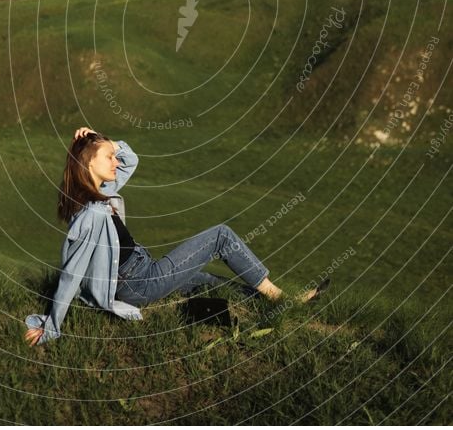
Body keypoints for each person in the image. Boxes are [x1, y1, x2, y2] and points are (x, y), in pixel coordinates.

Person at [24, 127, 329, 346]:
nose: (116, 162)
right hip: (139, 283)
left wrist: (106, 142)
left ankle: (268, 303)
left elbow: (131, 160)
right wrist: (51, 327)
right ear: (90, 163)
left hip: (142, 273)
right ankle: (281, 298)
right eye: (108, 158)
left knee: (205, 281)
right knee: (220, 236)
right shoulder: (91, 214)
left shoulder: (100, 193)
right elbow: (70, 275)